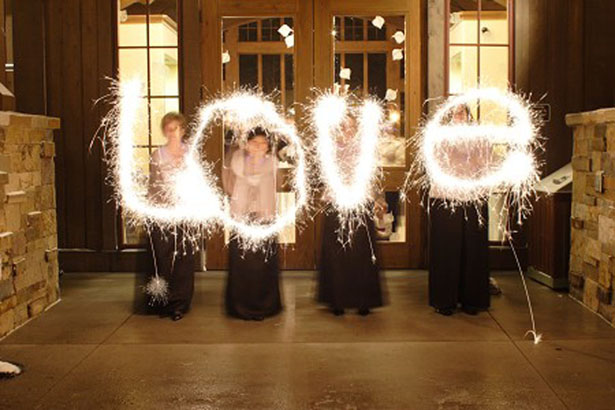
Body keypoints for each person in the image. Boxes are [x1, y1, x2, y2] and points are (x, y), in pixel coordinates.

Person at [318, 117, 384, 316]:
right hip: (336, 203)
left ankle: (364, 300)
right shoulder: (329, 150)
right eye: (343, 127)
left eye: (351, 127)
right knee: (336, 253)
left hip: (360, 203)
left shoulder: (366, 151)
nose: (347, 131)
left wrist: (379, 199)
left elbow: (375, 176)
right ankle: (336, 300)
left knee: (362, 253)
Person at [428, 104, 490, 316]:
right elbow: (435, 163)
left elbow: (486, 165)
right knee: (446, 250)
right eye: (455, 112)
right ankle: (444, 301)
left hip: (473, 198)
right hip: (445, 197)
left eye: (463, 112)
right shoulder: (439, 137)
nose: (459, 116)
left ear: (469, 115)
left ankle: (472, 300)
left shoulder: (480, 137)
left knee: (473, 251)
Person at [224, 127, 282, 321]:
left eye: (263, 143)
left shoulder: (272, 163)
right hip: (242, 217)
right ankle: (240, 305)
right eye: (255, 143)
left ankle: (265, 304)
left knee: (264, 263)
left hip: (265, 217)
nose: (259, 147)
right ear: (247, 145)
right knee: (243, 263)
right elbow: (229, 186)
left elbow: (277, 186)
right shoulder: (237, 161)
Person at [148, 112, 195, 321]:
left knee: (184, 257)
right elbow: (153, 185)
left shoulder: (190, 154)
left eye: (175, 128)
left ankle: (180, 303)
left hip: (185, 211)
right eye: (168, 128)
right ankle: (163, 301)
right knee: (163, 256)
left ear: (183, 130)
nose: (172, 132)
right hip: (164, 213)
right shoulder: (158, 155)